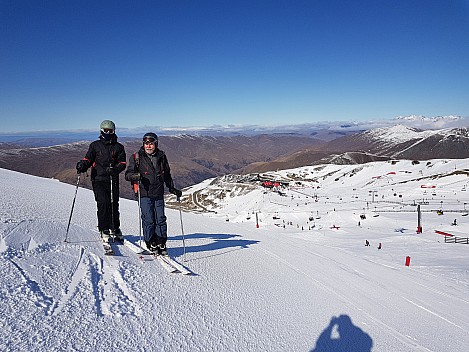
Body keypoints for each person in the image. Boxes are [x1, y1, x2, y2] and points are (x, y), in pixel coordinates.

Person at [125, 132, 182, 255]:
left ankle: (161, 241)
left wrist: (172, 188)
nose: (148, 146)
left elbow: (166, 174)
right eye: (146, 144)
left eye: (151, 144)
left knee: (160, 218)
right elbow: (128, 175)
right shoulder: (136, 157)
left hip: (158, 192)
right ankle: (150, 241)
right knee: (149, 219)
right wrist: (135, 176)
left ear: (156, 144)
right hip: (144, 192)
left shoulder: (161, 156)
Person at [76, 120, 126, 241]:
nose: (108, 132)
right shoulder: (95, 145)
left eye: (111, 131)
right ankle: (104, 228)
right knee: (103, 203)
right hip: (98, 178)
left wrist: (115, 170)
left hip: (112, 179)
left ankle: (115, 227)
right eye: (106, 130)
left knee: (114, 203)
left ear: (114, 131)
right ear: (101, 131)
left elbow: (122, 163)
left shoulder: (118, 147)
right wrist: (82, 165)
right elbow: (88, 159)